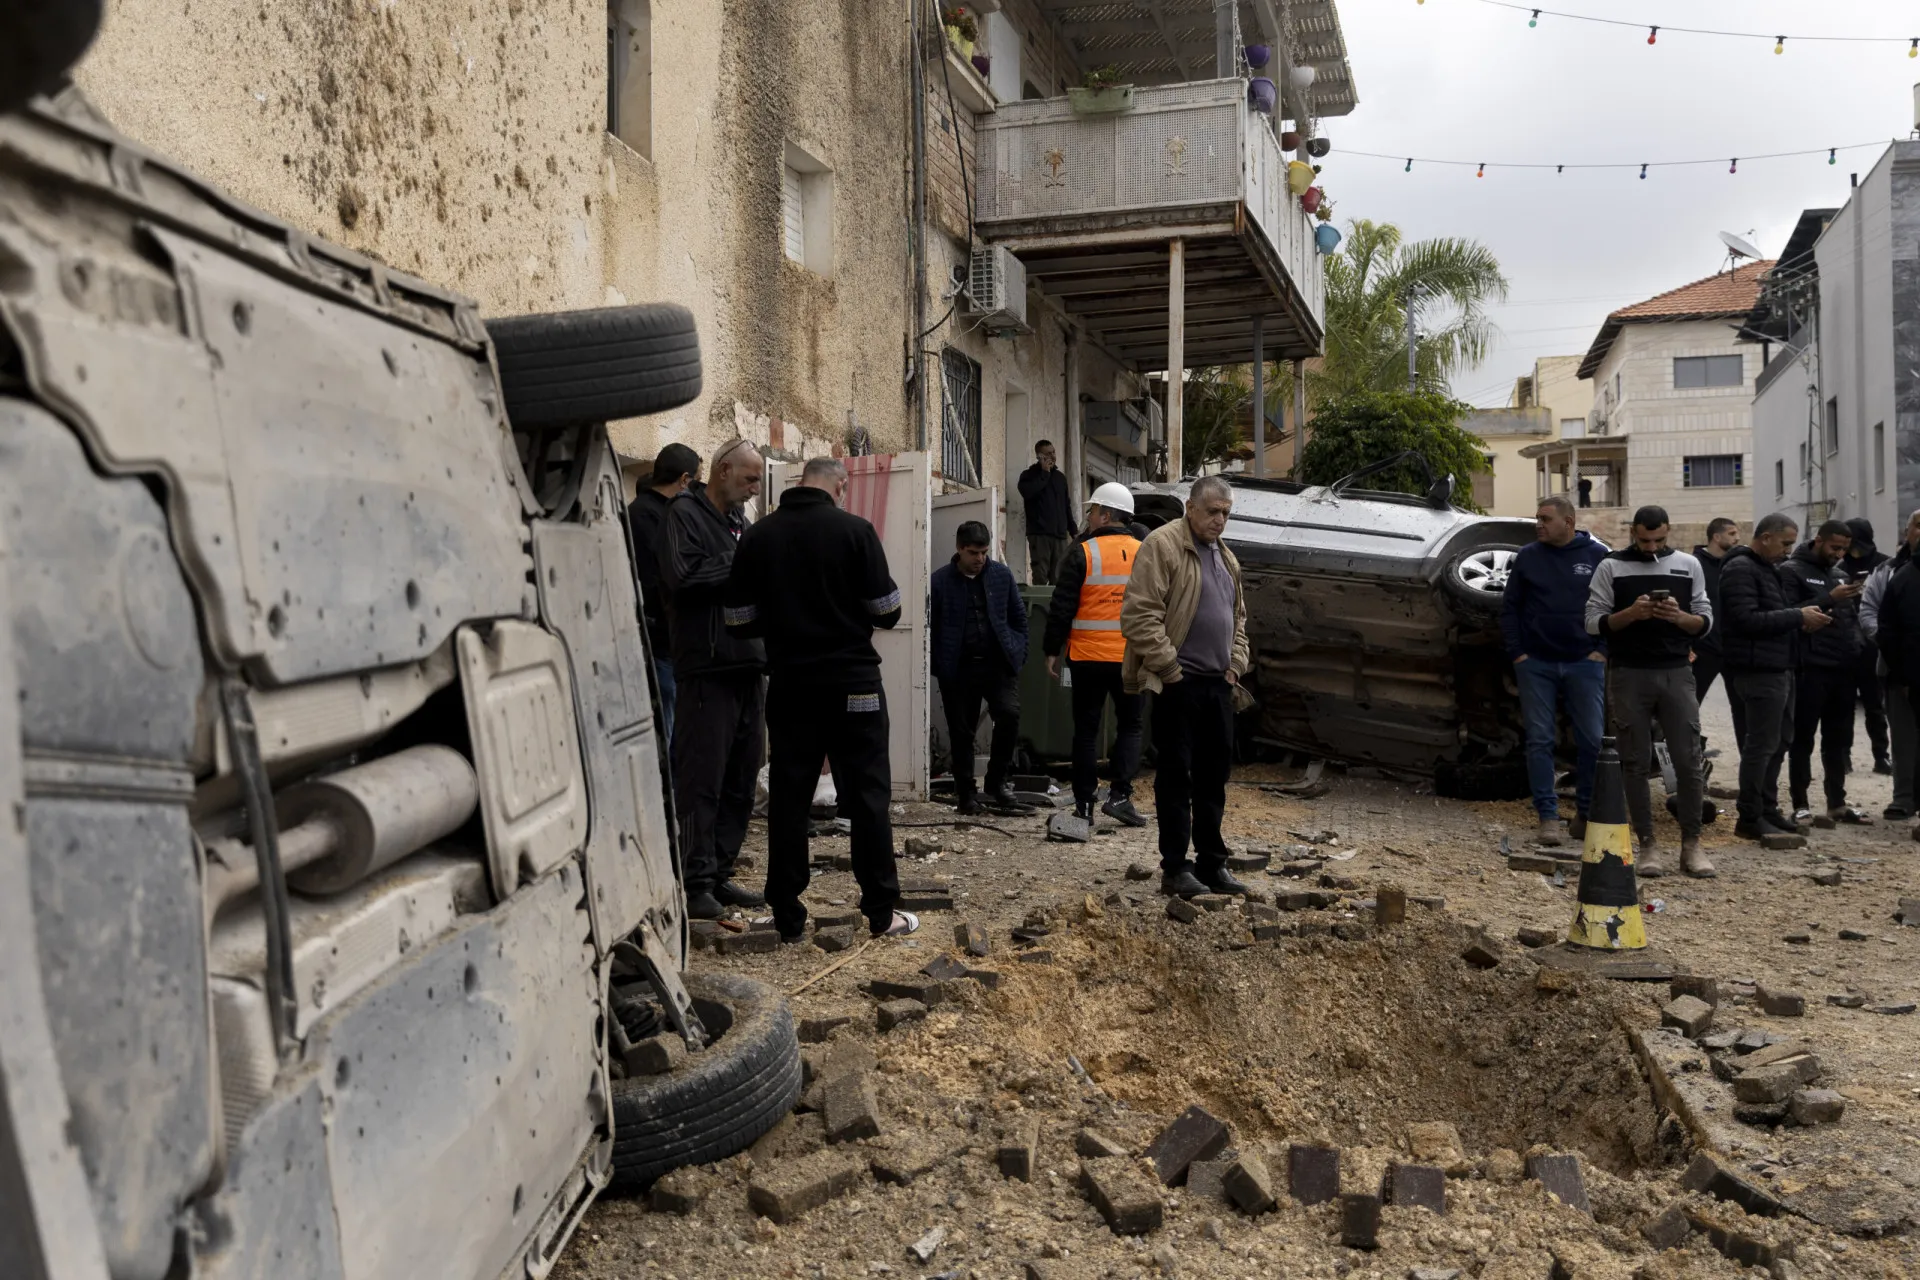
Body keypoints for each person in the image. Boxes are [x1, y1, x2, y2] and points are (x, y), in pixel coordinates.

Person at [724, 457, 917, 940]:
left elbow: (737, 620)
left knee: (789, 800)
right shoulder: (855, 531)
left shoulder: (758, 536)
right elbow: (888, 612)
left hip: (790, 688)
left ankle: (788, 917)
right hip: (853, 686)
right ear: (840, 486)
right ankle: (880, 913)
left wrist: (783, 622)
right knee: (868, 797)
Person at [1119, 475, 1252, 899]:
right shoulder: (1162, 545)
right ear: (1190, 507)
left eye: (1227, 514)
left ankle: (1212, 864)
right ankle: (1176, 868)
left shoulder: (1226, 557)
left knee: (1214, 778)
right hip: (1179, 683)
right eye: (1213, 511)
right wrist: (1171, 669)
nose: (1220, 520)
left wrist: (1235, 666)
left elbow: (1240, 621)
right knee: (1176, 778)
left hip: (1218, 685)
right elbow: (1139, 615)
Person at [664, 439, 768, 918]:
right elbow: (683, 576)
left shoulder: (737, 524)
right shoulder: (684, 513)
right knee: (701, 781)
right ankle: (693, 883)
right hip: (706, 669)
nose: (754, 489)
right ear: (722, 471)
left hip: (747, 666)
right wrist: (745, 561)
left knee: (741, 780)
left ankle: (719, 875)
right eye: (749, 479)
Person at [1583, 505, 1713, 878]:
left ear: (1668, 532)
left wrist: (1678, 617)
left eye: (1658, 539)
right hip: (1628, 672)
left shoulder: (1688, 564)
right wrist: (1631, 614)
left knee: (1688, 760)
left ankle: (1692, 844)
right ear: (1632, 533)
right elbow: (1592, 621)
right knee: (1634, 763)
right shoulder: (1611, 566)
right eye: (1644, 540)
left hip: (1676, 670)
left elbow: (1704, 619)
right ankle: (1648, 845)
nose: (1651, 546)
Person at [1500, 494, 1609, 847]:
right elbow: (1510, 608)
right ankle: (1547, 817)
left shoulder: (1597, 557)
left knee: (1592, 741)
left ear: (1569, 522)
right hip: (1537, 664)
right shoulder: (1528, 557)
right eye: (1537, 518)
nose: (1539, 524)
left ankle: (1585, 814)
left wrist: (1602, 651)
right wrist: (1518, 654)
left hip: (1584, 662)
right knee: (1539, 740)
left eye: (1546, 518)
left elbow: (1613, 607)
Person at [1720, 512, 1831, 842]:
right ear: (1765, 537)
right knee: (1761, 745)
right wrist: (1797, 615)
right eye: (1784, 543)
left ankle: (1768, 809)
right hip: (1758, 671)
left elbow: (1772, 617)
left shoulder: (1768, 569)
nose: (1788, 550)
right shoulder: (1740, 568)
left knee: (1779, 741)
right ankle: (1750, 816)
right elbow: (1746, 619)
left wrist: (1802, 621)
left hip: (1780, 667)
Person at [1043, 481, 1147, 828]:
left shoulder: (1081, 552)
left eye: (1091, 510)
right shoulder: (1144, 551)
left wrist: (1051, 650)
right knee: (1131, 726)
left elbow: (1062, 604)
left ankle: (1085, 806)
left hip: (1086, 658)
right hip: (1131, 658)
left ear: (1105, 514)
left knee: (1086, 732)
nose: (1088, 516)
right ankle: (1120, 796)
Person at [930, 521, 1031, 816]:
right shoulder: (940, 582)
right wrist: (942, 663)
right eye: (973, 552)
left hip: (997, 665)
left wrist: (1018, 652)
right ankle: (966, 794)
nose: (979, 559)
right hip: (958, 669)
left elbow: (1018, 617)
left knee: (1009, 716)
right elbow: (932, 626)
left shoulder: (1001, 576)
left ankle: (997, 783)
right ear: (959, 549)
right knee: (962, 733)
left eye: (984, 552)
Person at [1779, 520, 1870, 825]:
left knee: (1839, 739)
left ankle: (1837, 803)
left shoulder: (1840, 574)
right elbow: (1789, 613)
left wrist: (1857, 649)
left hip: (1843, 668)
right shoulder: (1791, 571)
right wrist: (1830, 598)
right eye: (1834, 547)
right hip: (1809, 667)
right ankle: (1801, 803)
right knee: (1802, 738)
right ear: (1818, 541)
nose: (1839, 554)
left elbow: (1850, 620)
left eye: (1844, 549)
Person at [628, 442, 700, 744]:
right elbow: (658, 579)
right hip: (661, 641)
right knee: (667, 734)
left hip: (665, 640)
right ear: (684, 480)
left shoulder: (647, 512)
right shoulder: (651, 516)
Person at [1862, 509, 1920, 818]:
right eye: (1918, 526)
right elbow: (1870, 611)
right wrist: (1886, 642)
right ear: (1907, 531)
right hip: (1897, 668)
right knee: (1904, 736)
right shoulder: (1887, 572)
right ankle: (1904, 797)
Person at [1843, 517, 1893, 774]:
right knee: (1844, 706)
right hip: (1844, 645)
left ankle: (1881, 756)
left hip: (1872, 644)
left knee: (1875, 705)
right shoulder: (1840, 565)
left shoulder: (1883, 565)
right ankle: (1844, 756)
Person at [1690, 517, 1739, 706]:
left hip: (1733, 649)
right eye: (1732, 534)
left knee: (1742, 709)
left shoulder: (1736, 565)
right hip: (1703, 649)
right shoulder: (1695, 564)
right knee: (1690, 705)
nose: (1737, 538)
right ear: (1717, 537)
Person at [1016, 440, 1077, 585]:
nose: (1052, 456)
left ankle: (1055, 606)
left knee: (1059, 575)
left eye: (1053, 452)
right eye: (1048, 454)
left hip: (1060, 536)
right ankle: (1040, 607)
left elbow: (1066, 506)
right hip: (1040, 534)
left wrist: (1073, 530)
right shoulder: (1029, 475)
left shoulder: (1060, 478)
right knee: (1040, 575)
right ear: (1039, 456)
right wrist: (1044, 474)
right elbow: (1027, 493)